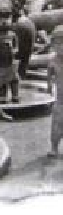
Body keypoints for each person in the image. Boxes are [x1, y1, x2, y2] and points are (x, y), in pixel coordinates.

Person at [47, 25, 63, 158]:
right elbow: (49, 73)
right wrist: (48, 86)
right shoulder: (53, 60)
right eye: (58, 43)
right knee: (56, 125)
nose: (61, 47)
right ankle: (54, 147)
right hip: (60, 100)